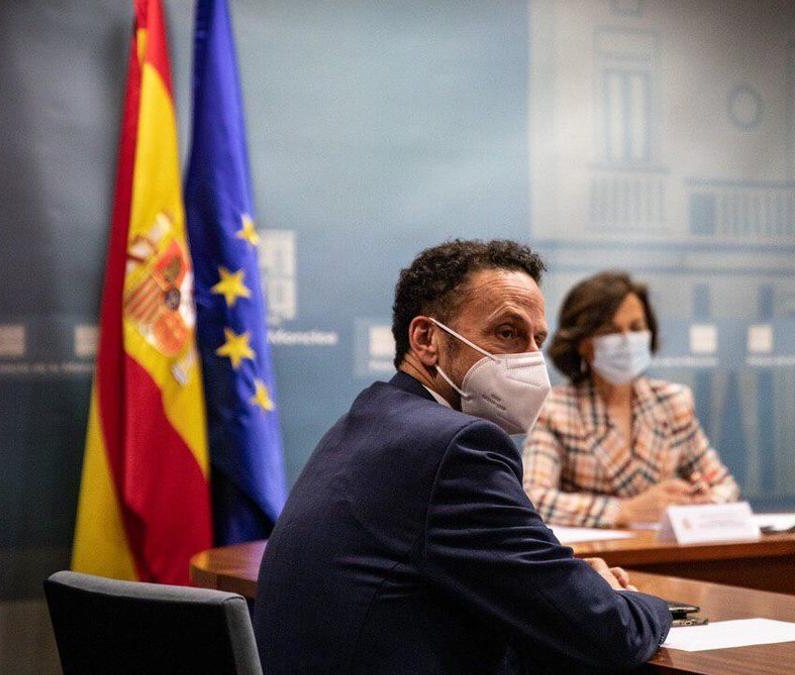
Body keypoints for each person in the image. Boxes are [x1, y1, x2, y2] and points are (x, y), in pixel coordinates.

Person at [253, 241, 671, 673]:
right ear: (426, 339)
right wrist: (635, 601)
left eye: (537, 340)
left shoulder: (371, 420)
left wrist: (575, 588)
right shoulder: (456, 448)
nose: (529, 357)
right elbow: (606, 631)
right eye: (508, 333)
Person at [523, 271, 740, 529]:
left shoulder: (673, 402)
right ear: (583, 343)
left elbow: (725, 486)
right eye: (611, 331)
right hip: (595, 560)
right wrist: (625, 511)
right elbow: (534, 499)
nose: (627, 340)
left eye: (636, 328)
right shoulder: (555, 409)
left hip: (665, 551)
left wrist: (701, 503)